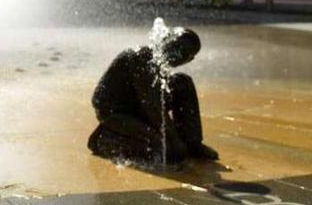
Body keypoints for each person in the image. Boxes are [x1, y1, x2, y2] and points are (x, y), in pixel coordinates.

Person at [87, 28, 219, 165]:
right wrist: (174, 140)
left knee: (182, 82)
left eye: (182, 53)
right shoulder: (141, 58)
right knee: (163, 150)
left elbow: (155, 100)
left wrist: (182, 141)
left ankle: (193, 143)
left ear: (188, 60)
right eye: (174, 46)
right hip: (115, 112)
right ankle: (104, 140)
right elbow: (152, 105)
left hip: (137, 106)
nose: (175, 54)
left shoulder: (159, 63)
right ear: (164, 40)